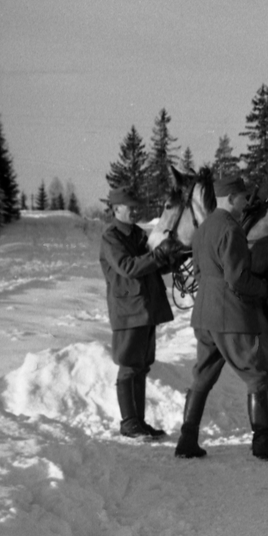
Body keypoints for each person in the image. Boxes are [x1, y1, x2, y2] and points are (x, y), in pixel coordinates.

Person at [174, 174, 268, 461]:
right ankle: (264, 441)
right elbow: (238, 279)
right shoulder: (231, 229)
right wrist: (265, 289)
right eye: (243, 197)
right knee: (258, 375)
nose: (246, 201)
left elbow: (201, 270)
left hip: (204, 316)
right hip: (230, 317)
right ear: (231, 199)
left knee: (202, 377)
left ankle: (187, 440)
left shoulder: (203, 228)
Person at [99, 187, 183, 440]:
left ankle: (139, 422)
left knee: (142, 366)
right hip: (128, 310)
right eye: (130, 207)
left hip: (146, 308)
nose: (136, 211)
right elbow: (128, 267)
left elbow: (153, 266)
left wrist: (171, 259)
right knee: (128, 365)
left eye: (137, 207)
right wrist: (158, 256)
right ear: (116, 210)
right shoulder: (111, 237)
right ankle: (129, 422)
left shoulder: (138, 234)